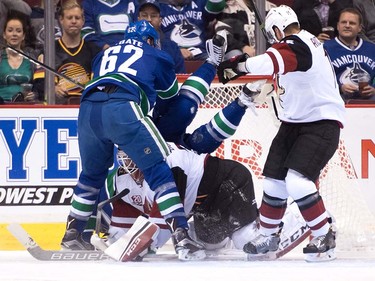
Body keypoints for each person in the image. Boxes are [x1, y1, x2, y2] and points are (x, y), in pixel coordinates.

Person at [60, 20, 227, 261]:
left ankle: (72, 234)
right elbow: (170, 99)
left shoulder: (103, 55)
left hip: (87, 110)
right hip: (123, 110)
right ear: (150, 41)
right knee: (159, 171)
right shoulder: (156, 55)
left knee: (91, 175)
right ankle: (181, 233)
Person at [217, 5, 346, 262]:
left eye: (273, 35)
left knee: (298, 182)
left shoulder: (300, 44)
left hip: (320, 125)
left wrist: (238, 65)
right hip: (294, 123)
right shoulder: (296, 49)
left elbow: (269, 59)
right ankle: (268, 235)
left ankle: (324, 234)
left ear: (277, 30)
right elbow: (274, 70)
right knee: (274, 182)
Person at [93, 144, 259, 261]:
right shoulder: (121, 180)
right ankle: (207, 232)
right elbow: (125, 218)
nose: (131, 167)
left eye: (134, 160)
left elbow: (161, 227)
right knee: (210, 243)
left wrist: (141, 247)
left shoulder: (164, 167)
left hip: (228, 181)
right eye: (126, 160)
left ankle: (276, 227)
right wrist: (116, 240)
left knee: (245, 240)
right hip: (201, 205)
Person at [33, 0, 102, 104]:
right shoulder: (49, 50)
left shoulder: (95, 51)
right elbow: (39, 82)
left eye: (77, 18)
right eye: (69, 18)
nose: (74, 21)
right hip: (57, 107)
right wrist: (52, 88)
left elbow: (99, 83)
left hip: (85, 106)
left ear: (83, 21)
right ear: (61, 19)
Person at [324, 8, 375, 102]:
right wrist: (339, 88)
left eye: (352, 23)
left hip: (370, 99)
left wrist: (374, 89)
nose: (347, 26)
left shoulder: (372, 49)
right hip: (336, 99)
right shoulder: (325, 48)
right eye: (344, 22)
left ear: (359, 28)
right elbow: (319, 78)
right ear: (338, 26)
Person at [158, 0, 226, 60]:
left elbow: (217, 7)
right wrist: (175, 50)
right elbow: (157, 36)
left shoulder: (199, 2)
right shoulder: (158, 6)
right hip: (170, 53)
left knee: (215, 63)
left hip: (201, 52)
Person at [137, 0, 186, 73]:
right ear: (138, 19)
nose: (149, 19)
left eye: (153, 16)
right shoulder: (129, 44)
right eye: (144, 15)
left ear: (160, 21)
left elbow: (180, 76)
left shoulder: (172, 47)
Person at [0, 10, 39, 103]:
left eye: (18, 31)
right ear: (4, 35)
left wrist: (34, 95)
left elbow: (39, 88)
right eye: (10, 30)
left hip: (25, 107)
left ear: (23, 36)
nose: (14, 34)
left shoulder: (32, 59)